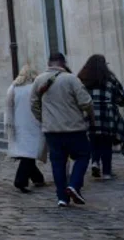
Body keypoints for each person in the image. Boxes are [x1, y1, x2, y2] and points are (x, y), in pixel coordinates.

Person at [31, 52, 94, 207]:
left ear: (49, 63)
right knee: (82, 156)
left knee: (58, 163)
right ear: (63, 63)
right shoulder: (71, 79)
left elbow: (33, 104)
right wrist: (88, 114)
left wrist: (44, 119)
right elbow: (86, 102)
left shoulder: (39, 80)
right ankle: (74, 184)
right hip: (74, 128)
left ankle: (62, 197)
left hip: (52, 130)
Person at [77, 54, 124, 180]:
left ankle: (95, 162)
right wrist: (119, 101)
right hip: (107, 114)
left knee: (94, 140)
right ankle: (106, 172)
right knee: (106, 143)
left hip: (90, 113)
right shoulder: (110, 79)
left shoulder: (83, 79)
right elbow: (121, 97)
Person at [5, 63, 46, 192]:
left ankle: (38, 178)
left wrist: (9, 125)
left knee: (27, 153)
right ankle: (20, 181)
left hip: (19, 124)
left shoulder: (13, 88)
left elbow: (8, 107)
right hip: (34, 123)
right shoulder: (36, 88)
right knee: (29, 153)